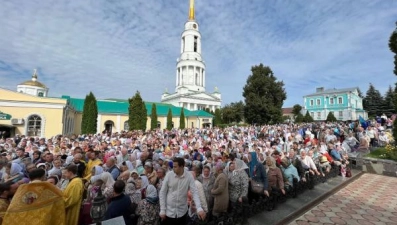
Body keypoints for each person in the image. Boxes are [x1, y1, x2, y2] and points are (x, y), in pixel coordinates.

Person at [159, 157, 206, 225]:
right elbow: (162, 192)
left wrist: (199, 208)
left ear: (181, 166)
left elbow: (195, 192)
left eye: (175, 167)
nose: (173, 168)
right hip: (169, 212)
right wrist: (162, 209)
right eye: (173, 166)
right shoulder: (169, 175)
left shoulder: (189, 176)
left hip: (182, 213)